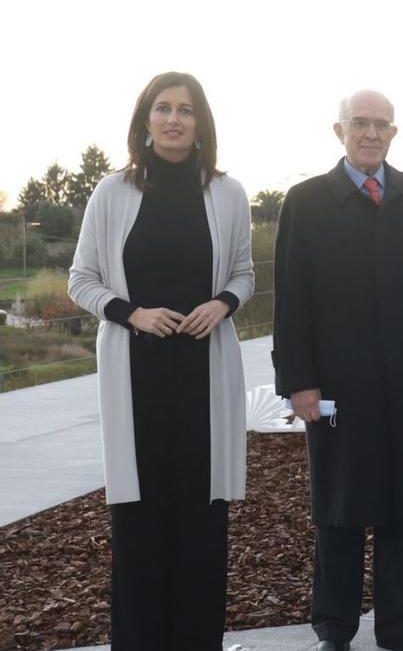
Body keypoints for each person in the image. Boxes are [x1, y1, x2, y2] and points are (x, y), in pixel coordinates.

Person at [273, 90, 403, 651]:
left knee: (402, 511)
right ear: (339, 130)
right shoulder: (307, 201)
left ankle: (397, 627)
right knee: (339, 513)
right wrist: (299, 382)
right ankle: (334, 630)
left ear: (394, 133)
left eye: (382, 124)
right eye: (360, 123)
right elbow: (292, 301)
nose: (371, 133)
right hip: (337, 391)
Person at [68, 71, 254, 650]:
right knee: (140, 529)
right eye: (163, 108)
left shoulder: (228, 193)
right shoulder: (112, 192)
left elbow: (245, 273)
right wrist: (132, 313)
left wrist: (223, 304)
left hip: (204, 379)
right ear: (145, 121)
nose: (174, 119)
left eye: (187, 109)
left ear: (201, 124)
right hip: (137, 379)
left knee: (202, 525)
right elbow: (81, 280)